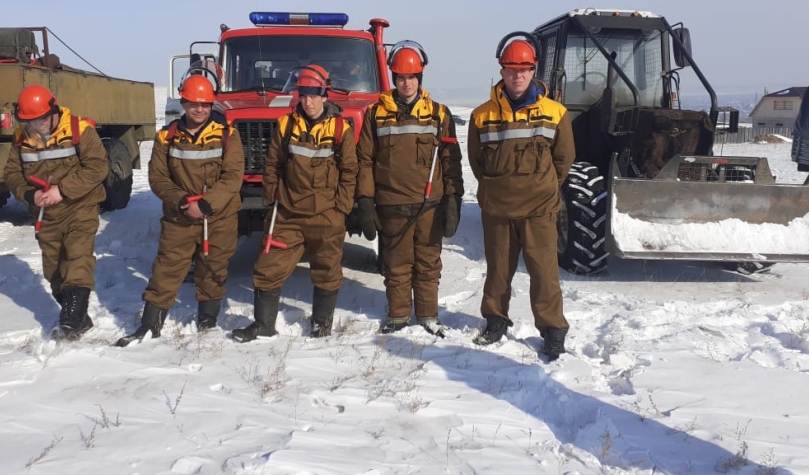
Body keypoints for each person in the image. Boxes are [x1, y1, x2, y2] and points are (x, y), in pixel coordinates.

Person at [467, 38, 575, 360]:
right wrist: (495, 189)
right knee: (498, 271)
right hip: (498, 210)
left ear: (533, 70)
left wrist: (543, 188)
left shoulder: (556, 113)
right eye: (512, 70)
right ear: (502, 70)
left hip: (539, 210)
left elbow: (564, 160)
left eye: (524, 70)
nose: (518, 76)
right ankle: (495, 321)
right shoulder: (481, 116)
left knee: (544, 272)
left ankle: (553, 330)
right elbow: (477, 163)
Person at [232, 65, 357, 342]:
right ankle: (264, 325)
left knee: (327, 271)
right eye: (304, 95)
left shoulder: (340, 129)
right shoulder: (286, 125)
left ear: (325, 95)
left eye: (314, 95)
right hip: (287, 214)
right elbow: (273, 164)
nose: (309, 101)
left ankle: (321, 325)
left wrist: (341, 209)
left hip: (327, 215)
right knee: (268, 268)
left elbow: (350, 172)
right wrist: (273, 195)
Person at [116, 75, 242, 346]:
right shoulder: (167, 137)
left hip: (218, 217)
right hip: (179, 217)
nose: (200, 109)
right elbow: (158, 178)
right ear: (183, 102)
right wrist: (185, 202)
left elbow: (233, 176)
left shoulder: (228, 135)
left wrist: (207, 204)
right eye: (193, 104)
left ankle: (207, 324)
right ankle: (150, 325)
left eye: (206, 104)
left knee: (213, 268)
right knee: (167, 268)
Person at [356, 43, 464, 336]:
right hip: (391, 205)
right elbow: (364, 160)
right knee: (396, 266)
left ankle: (428, 315)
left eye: (412, 77)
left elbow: (450, 160)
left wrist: (454, 197)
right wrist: (365, 199)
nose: (407, 83)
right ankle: (399, 315)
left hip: (430, 205)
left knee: (428, 265)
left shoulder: (438, 114)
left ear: (420, 78)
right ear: (393, 78)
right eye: (401, 77)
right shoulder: (375, 114)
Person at [3, 84, 109, 340]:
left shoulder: (80, 130)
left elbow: (97, 168)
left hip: (79, 207)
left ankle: (71, 324)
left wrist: (62, 191)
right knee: (54, 271)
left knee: (78, 258)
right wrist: (30, 194)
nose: (35, 126)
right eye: (29, 121)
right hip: (46, 214)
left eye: (39, 119)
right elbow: (12, 173)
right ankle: (80, 318)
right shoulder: (21, 138)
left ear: (53, 111)